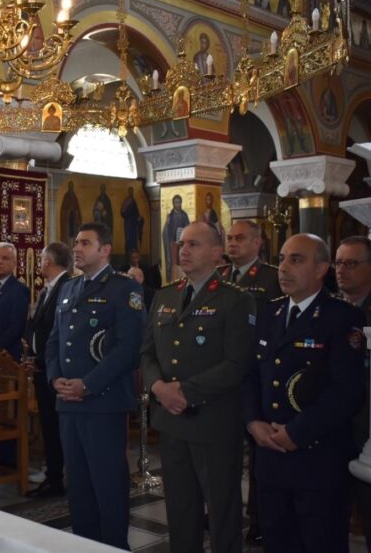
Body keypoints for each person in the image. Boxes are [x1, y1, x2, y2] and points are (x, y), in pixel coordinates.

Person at [243, 234, 366, 553]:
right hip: (270, 459)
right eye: (282, 259)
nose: (284, 268)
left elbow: (347, 392)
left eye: (296, 259)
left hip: (318, 461)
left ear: (321, 268)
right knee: (277, 543)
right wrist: (253, 422)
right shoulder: (269, 313)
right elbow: (252, 375)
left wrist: (296, 433)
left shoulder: (341, 318)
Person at [141, 222, 255, 553]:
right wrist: (158, 387)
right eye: (181, 244)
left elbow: (237, 363)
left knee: (222, 512)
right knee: (180, 510)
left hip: (213, 422)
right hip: (171, 420)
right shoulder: (165, 295)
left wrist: (184, 391)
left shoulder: (235, 299)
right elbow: (146, 352)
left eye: (194, 244)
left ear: (217, 253)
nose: (184, 250)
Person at [44, 222, 145, 548]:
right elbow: (54, 341)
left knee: (108, 484)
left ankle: (114, 547)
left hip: (103, 403)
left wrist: (87, 385)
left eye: (85, 243)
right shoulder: (69, 288)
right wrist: (54, 378)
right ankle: (85, 545)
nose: (76, 248)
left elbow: (129, 349)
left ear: (105, 250)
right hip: (67, 403)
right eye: (76, 242)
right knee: (78, 486)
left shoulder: (124, 288)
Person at [219, 219, 281, 544]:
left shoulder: (272, 278)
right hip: (223, 381)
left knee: (259, 456)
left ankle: (259, 519)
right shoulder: (220, 277)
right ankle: (222, 511)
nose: (232, 243)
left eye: (239, 238)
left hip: (256, 376)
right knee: (223, 452)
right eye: (229, 238)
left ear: (257, 244)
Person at [24, 242, 71, 498]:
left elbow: (60, 332)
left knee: (55, 425)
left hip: (56, 370)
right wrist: (33, 357)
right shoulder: (47, 289)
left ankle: (57, 477)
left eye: (42, 258)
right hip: (42, 366)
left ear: (48, 261)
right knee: (48, 425)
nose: (40, 262)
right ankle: (52, 474)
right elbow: (37, 326)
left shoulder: (67, 287)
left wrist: (42, 360)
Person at [335, 236, 371, 547]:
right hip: (335, 429)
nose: (342, 270)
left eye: (351, 263)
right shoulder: (330, 309)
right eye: (338, 263)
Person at [162, 194, 190, 281]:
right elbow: (165, 231)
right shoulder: (170, 216)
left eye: (179, 202)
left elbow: (188, 228)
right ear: (173, 204)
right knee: (174, 262)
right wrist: (167, 224)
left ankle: (183, 279)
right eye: (175, 202)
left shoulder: (184, 215)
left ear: (181, 203)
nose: (177, 204)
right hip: (173, 244)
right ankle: (174, 280)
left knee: (182, 261)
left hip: (182, 244)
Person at [120, 186, 144, 253]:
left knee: (133, 239)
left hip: (133, 223)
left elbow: (136, 212)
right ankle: (129, 253)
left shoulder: (133, 201)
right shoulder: (127, 201)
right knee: (129, 238)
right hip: (129, 223)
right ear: (128, 192)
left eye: (132, 191)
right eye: (130, 191)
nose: (131, 193)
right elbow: (123, 212)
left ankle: (133, 253)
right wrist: (132, 216)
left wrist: (139, 217)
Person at [59, 181, 82, 247]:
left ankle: (74, 246)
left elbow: (77, 209)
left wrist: (75, 211)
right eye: (70, 186)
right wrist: (68, 210)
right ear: (68, 187)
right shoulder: (66, 196)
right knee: (69, 235)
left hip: (74, 220)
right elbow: (63, 210)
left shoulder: (74, 197)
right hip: (68, 221)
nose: (71, 188)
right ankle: (68, 247)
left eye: (72, 187)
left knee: (74, 235)